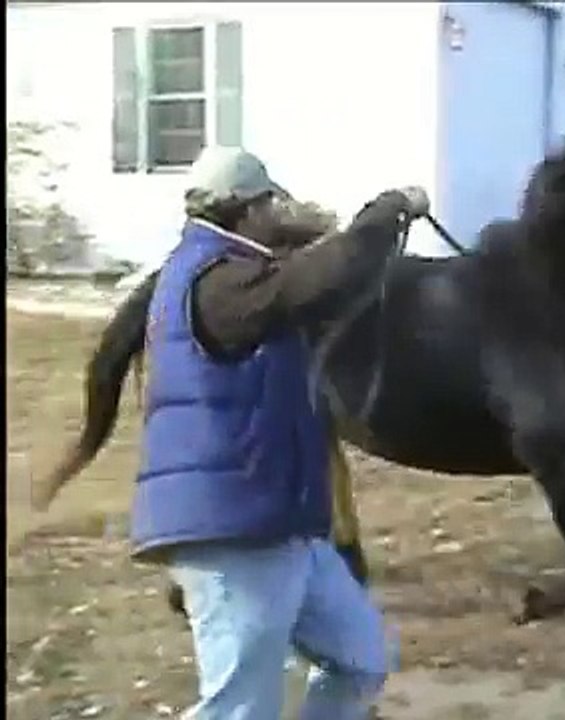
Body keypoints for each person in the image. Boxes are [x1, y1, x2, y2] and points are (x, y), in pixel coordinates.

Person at [131, 145, 428, 719]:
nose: (278, 209)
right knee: (240, 707)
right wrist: (390, 210)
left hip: (281, 519)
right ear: (246, 209)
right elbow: (316, 278)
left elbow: (312, 276)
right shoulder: (219, 283)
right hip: (234, 527)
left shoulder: (236, 271)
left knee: (361, 659)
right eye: (271, 201)